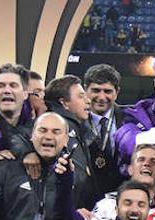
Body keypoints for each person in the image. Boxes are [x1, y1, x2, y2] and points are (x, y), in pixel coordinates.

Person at [44, 75, 118, 209]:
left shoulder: (77, 127)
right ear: (64, 103)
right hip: (67, 214)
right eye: (80, 96)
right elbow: (75, 180)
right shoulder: (59, 127)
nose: (88, 101)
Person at [83, 64, 124, 167]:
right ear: (85, 90)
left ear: (117, 92)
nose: (101, 97)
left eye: (107, 91)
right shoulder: (75, 121)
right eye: (96, 90)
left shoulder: (129, 119)